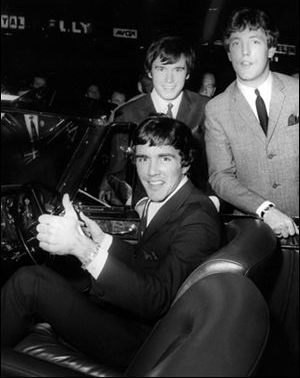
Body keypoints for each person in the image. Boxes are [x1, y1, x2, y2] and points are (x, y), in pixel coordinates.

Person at [1, 116, 221, 369]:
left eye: (165, 158)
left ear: (186, 162)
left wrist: (82, 249)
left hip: (143, 344)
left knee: (29, 282)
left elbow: (157, 299)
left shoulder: (198, 218)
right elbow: (149, 261)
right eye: (142, 159)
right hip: (130, 319)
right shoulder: (172, 203)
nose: (151, 172)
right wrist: (101, 240)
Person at [205, 8, 299, 238]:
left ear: (271, 49)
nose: (244, 52)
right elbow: (220, 176)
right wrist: (264, 209)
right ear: (228, 53)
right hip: (251, 230)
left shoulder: (297, 93)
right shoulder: (216, 109)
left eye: (255, 42)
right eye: (236, 43)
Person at [104, 35, 211, 199]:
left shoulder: (206, 108)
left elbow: (217, 169)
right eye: (161, 69)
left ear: (188, 73)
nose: (169, 79)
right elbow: (117, 173)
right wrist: (138, 204)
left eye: (178, 70)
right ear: (149, 72)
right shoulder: (127, 114)